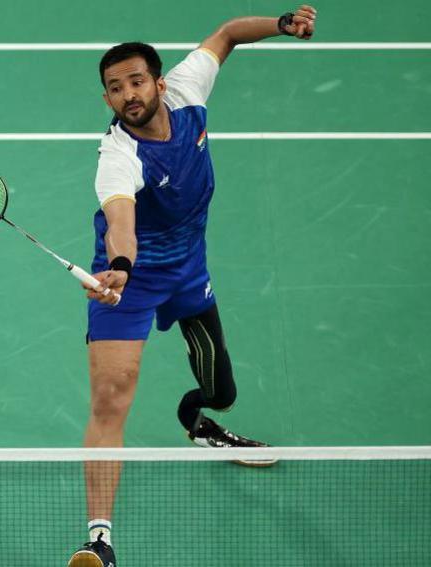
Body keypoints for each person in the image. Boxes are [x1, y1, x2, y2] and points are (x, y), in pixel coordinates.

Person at [68, 6, 318, 567]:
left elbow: (227, 34)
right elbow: (119, 215)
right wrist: (122, 267)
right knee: (111, 399)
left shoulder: (186, 91)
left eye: (135, 81)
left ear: (158, 81)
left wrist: (281, 23)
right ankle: (99, 540)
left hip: (188, 270)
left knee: (221, 389)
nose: (128, 94)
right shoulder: (117, 154)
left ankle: (200, 422)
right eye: (114, 88)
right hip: (124, 281)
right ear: (106, 100)